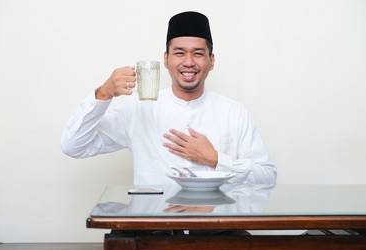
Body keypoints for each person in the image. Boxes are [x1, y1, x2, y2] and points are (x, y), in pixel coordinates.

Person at [61, 11, 277, 186]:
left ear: (211, 61)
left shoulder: (234, 113)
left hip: (218, 229)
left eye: (198, 54)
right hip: (154, 229)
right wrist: (103, 94)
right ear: (166, 59)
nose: (189, 62)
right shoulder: (138, 109)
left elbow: (267, 177)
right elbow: (74, 146)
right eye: (180, 53)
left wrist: (215, 159)